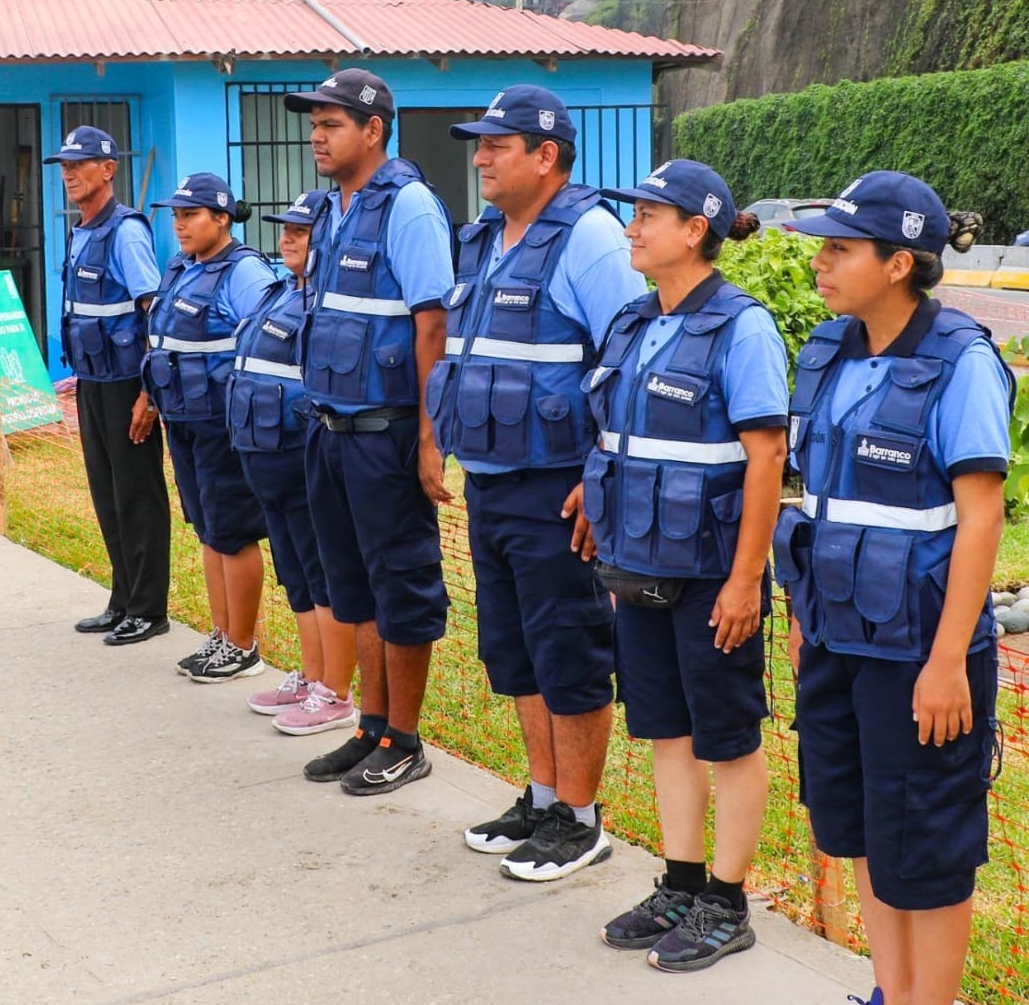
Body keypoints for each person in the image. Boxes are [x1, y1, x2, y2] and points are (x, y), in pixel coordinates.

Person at [774, 172, 1012, 1005]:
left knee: (928, 848)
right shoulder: (832, 352)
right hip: (837, 635)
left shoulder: (961, 364)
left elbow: (982, 519)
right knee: (867, 831)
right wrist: (808, 617)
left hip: (920, 650)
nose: (822, 265)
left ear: (901, 263)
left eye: (841, 250)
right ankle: (892, 991)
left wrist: (949, 662)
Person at [429, 85, 644, 877]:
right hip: (492, 482)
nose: (479, 157)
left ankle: (582, 820)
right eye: (478, 143)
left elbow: (630, 360)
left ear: (546, 155)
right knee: (517, 652)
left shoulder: (587, 237)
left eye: (496, 144)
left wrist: (602, 475)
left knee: (569, 650)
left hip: (558, 491)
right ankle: (546, 795)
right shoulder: (487, 238)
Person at [581, 161, 787, 970]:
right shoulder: (636, 321)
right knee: (665, 730)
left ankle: (728, 904)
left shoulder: (744, 327)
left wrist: (744, 580)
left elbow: (766, 457)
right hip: (638, 563)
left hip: (711, 572)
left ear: (695, 230)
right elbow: (617, 436)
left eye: (648, 215)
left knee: (727, 739)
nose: (632, 226)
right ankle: (682, 880)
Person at [285, 68, 454, 795]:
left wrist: (428, 437)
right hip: (329, 428)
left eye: (331, 125)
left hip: (385, 433)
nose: (316, 136)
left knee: (400, 585)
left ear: (373, 128)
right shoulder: (331, 209)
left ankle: (406, 738)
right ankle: (371, 727)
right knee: (351, 583)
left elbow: (433, 325)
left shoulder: (408, 207)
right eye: (313, 124)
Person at [226, 190, 359, 733]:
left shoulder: (328, 302)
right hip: (264, 456)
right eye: (285, 229)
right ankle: (310, 675)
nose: (287, 239)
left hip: (301, 455)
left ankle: (336, 690)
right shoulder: (278, 292)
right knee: (296, 572)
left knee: (324, 571)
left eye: (300, 232)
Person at [143, 172, 278, 676]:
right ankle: (221, 635)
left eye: (190, 214)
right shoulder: (182, 266)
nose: (179, 225)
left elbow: (267, 339)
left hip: (222, 424)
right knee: (207, 530)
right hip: (183, 417)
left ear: (221, 218)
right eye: (176, 215)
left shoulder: (243, 272)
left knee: (233, 532)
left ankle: (243, 647)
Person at [46, 126, 172, 648]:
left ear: (109, 170)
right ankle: (122, 600)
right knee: (109, 495)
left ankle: (149, 609)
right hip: (93, 383)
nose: (70, 174)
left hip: (127, 386)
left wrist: (150, 394)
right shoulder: (80, 231)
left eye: (80, 164)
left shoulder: (125, 232)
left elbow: (154, 313)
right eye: (64, 166)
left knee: (139, 496)